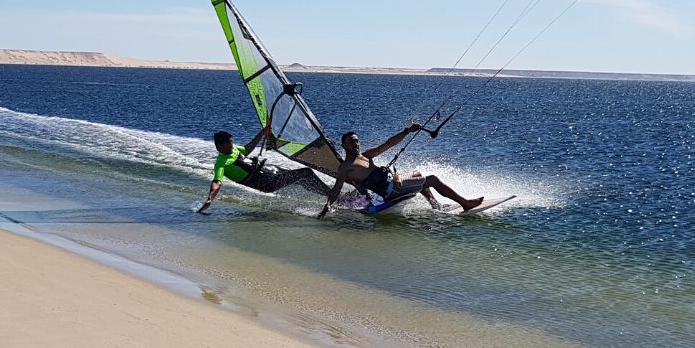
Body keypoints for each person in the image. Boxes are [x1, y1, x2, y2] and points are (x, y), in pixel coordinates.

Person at [317, 124, 483, 218]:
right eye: (352, 143)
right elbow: (336, 189)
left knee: (417, 174)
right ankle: (465, 203)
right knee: (431, 179)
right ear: (344, 146)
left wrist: (406, 131)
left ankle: (435, 205)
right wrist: (327, 206)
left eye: (357, 142)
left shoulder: (366, 156)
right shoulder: (345, 167)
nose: (356, 145)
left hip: (395, 184)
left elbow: (388, 144)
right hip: (390, 191)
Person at [200, 121, 331, 213]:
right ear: (219, 147)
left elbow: (248, 148)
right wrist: (210, 199)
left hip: (270, 171)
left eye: (232, 142)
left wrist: (263, 132)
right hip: (267, 183)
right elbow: (217, 182)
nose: (232, 145)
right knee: (305, 173)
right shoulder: (221, 163)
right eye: (228, 144)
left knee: (301, 179)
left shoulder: (233, 149)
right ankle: (332, 195)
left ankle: (329, 195)